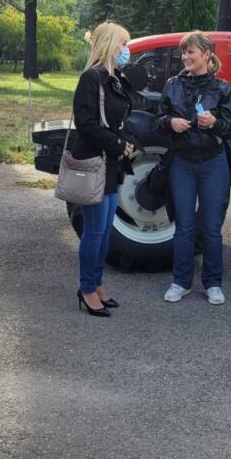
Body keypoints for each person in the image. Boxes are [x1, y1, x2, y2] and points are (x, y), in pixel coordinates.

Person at [156, 31, 231, 305]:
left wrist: (214, 123)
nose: (185, 57)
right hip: (182, 162)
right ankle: (181, 282)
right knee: (184, 227)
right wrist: (170, 122)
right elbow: (158, 120)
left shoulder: (222, 87)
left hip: (213, 163)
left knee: (211, 228)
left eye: (190, 51)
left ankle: (213, 284)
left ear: (206, 54)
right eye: (183, 52)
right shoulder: (172, 85)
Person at [71, 21, 136, 317]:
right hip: (95, 163)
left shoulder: (115, 78)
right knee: (95, 231)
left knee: (105, 231)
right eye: (123, 43)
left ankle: (96, 283)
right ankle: (86, 288)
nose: (126, 49)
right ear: (110, 45)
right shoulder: (92, 78)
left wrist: (127, 143)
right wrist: (117, 144)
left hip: (111, 165)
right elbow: (86, 124)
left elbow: (119, 120)